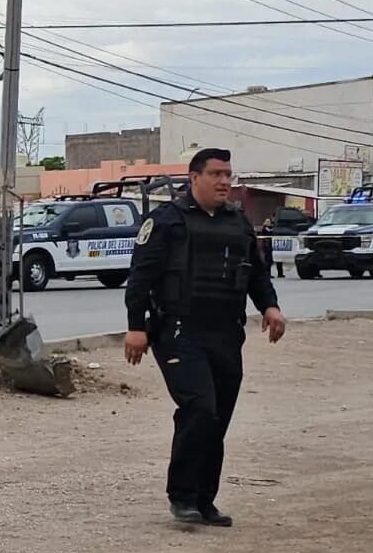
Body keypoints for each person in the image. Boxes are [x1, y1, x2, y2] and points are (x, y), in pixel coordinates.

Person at [123, 148, 287, 527]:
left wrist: (270, 307)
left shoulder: (238, 221)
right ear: (194, 178)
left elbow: (257, 274)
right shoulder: (167, 221)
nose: (224, 181)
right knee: (200, 408)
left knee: (218, 419)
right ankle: (181, 496)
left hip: (226, 334)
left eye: (228, 174)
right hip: (179, 332)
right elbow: (140, 278)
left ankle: (204, 500)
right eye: (216, 174)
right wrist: (136, 327)